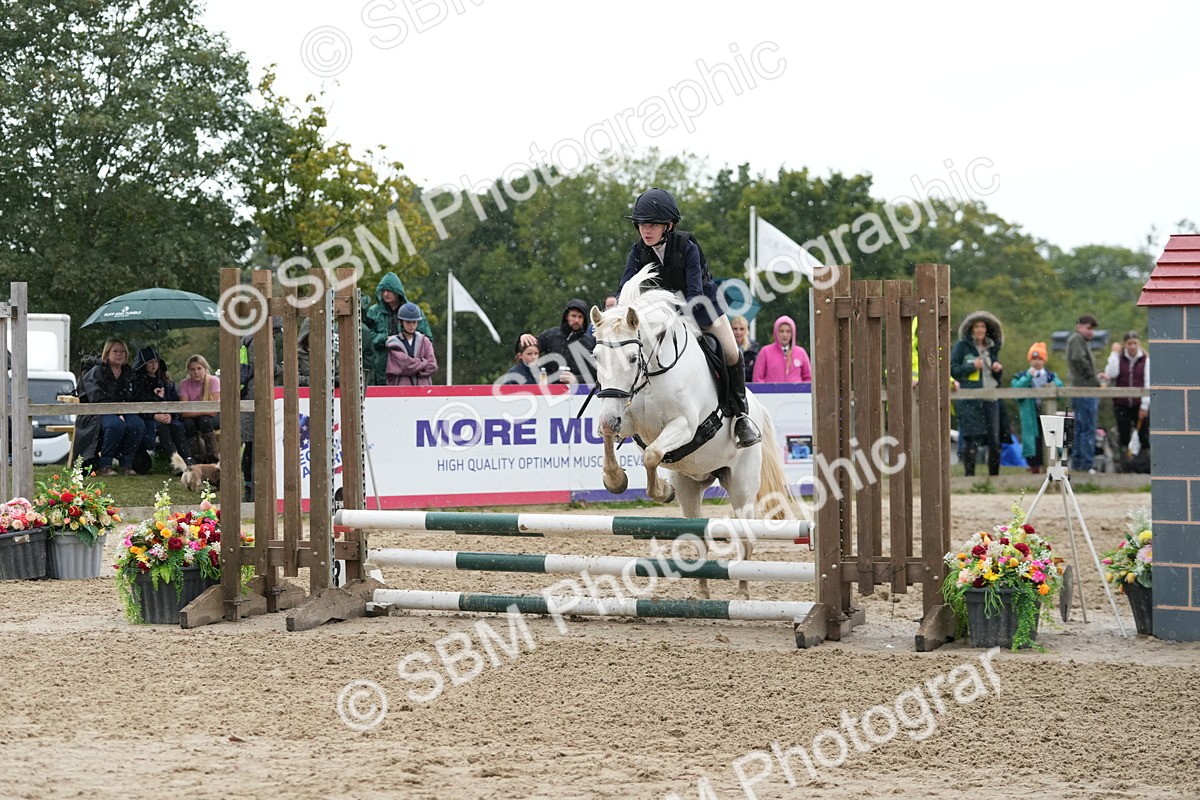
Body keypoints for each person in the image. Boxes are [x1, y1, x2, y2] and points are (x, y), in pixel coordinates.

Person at [614, 187, 760, 447]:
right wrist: (616, 312)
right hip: (664, 315)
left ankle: (740, 416)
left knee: (730, 353)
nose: (646, 231)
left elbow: (695, 294)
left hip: (704, 308)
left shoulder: (687, 247)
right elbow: (625, 287)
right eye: (641, 224)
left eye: (653, 224)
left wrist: (672, 315)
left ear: (668, 225)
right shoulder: (638, 251)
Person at [950, 311, 1006, 477]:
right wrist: (972, 366)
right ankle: (970, 479)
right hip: (969, 399)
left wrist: (997, 369)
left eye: (983, 326)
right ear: (971, 329)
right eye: (976, 326)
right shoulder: (962, 347)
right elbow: (953, 369)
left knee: (994, 442)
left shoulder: (992, 347)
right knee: (971, 440)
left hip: (990, 396)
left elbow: (995, 377)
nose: (980, 329)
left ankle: (994, 479)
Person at [79, 338, 145, 476]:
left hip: (124, 411)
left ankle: (127, 464)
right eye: (115, 351)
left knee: (137, 424)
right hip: (98, 413)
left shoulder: (128, 373)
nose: (119, 354)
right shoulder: (97, 371)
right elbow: (95, 397)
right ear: (107, 353)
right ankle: (105, 465)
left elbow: (135, 396)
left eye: (122, 351)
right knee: (116, 425)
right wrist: (115, 412)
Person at [132, 346, 194, 468]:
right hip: (149, 420)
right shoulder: (137, 384)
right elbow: (137, 405)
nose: (153, 365)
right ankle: (175, 463)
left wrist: (170, 414)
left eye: (156, 361)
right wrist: (154, 415)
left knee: (177, 427)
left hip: (168, 418)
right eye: (150, 362)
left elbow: (174, 402)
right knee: (163, 429)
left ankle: (188, 459)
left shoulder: (166, 382)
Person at [367, 272, 431, 386]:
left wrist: (405, 342)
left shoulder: (413, 311)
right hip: (381, 368)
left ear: (397, 291)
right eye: (383, 291)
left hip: (408, 372)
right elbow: (366, 338)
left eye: (389, 290)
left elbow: (427, 339)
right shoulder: (373, 312)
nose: (386, 294)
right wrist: (385, 339)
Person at [1010, 342, 1063, 473]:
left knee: (1049, 440)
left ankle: (1050, 469)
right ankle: (1034, 468)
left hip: (1047, 413)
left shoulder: (1050, 376)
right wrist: (1028, 377)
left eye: (1040, 358)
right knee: (1033, 442)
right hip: (1030, 416)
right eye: (1034, 359)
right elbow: (1016, 391)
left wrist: (1051, 383)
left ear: (1044, 360)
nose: (1037, 362)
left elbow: (1060, 388)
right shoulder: (1021, 376)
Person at [520, 298, 596, 385]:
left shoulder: (590, 343)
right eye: (573, 316)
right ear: (567, 316)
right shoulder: (551, 335)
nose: (576, 320)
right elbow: (528, 352)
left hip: (580, 394)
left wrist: (576, 379)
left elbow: (596, 374)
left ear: (584, 319)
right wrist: (523, 338)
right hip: (550, 392)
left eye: (580, 317)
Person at [1065, 314, 1104, 473]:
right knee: (1087, 428)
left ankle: (1079, 465)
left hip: (1082, 389)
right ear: (1079, 326)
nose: (1091, 333)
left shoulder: (1078, 340)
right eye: (1088, 328)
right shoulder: (1077, 339)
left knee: (1081, 429)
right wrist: (1092, 378)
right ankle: (1085, 465)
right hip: (1084, 390)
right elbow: (1079, 359)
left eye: (1093, 329)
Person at [1105, 331, 1150, 455]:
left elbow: (1148, 382)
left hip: (1139, 403)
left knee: (1143, 434)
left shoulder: (1145, 360)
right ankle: (1124, 462)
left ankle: (1144, 462)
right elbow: (1111, 373)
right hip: (1122, 403)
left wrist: (1145, 406)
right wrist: (1114, 354)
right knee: (1123, 434)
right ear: (1125, 344)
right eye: (1129, 343)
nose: (1132, 346)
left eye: (1135, 343)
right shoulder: (1119, 358)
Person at [177, 354, 220, 463]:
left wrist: (196, 411)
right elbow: (184, 412)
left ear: (205, 369)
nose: (196, 372)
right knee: (188, 423)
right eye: (192, 369)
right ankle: (196, 457)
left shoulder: (213, 381)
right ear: (188, 371)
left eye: (199, 368)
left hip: (212, 417)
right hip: (194, 416)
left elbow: (213, 409)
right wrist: (202, 411)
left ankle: (213, 458)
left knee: (204, 421)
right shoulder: (184, 384)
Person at [386, 302, 438, 386]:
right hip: (402, 391)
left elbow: (433, 366)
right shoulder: (393, 344)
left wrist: (411, 369)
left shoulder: (425, 341)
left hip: (423, 391)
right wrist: (423, 362)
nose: (412, 326)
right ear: (401, 322)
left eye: (414, 322)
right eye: (408, 322)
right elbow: (404, 365)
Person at [752, 315, 811, 383]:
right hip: (771, 393)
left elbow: (808, 378)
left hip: (797, 393)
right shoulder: (765, 352)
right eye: (781, 331)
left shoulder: (801, 352)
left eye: (788, 331)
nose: (785, 334)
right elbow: (757, 378)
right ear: (776, 332)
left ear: (793, 333)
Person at [730, 315, 760, 383]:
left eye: (741, 329)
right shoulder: (724, 347)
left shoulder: (754, 349)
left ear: (746, 330)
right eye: (735, 329)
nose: (738, 332)